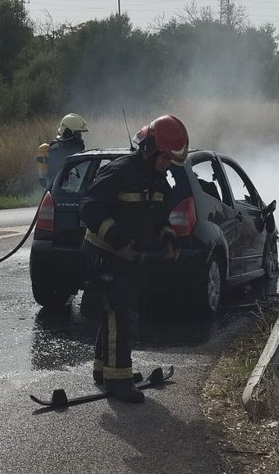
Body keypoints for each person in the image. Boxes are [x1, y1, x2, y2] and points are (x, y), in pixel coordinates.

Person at [79, 114, 189, 403]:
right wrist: (115, 236)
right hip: (104, 252)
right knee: (120, 313)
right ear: (149, 148)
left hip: (127, 257)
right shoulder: (120, 171)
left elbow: (159, 218)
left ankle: (105, 370)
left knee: (112, 312)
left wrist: (166, 237)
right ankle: (119, 380)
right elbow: (89, 208)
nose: (167, 165)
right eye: (165, 158)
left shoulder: (157, 180)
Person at [45, 113, 88, 184]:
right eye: (78, 134)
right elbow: (56, 179)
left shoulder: (73, 149)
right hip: (61, 192)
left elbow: (83, 171)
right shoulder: (56, 150)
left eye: (80, 134)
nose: (80, 138)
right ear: (68, 133)